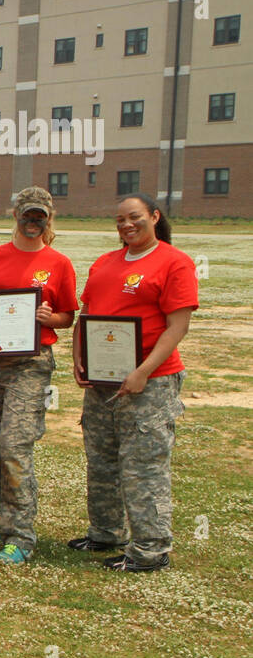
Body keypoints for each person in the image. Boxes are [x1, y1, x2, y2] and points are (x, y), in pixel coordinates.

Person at [70, 193, 197, 572]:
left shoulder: (174, 263)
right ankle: (106, 532)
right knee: (102, 461)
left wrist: (143, 371)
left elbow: (178, 325)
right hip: (103, 382)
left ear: (155, 217)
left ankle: (150, 549)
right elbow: (87, 315)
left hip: (151, 381)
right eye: (120, 220)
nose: (127, 225)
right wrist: (79, 358)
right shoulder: (105, 263)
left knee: (143, 465)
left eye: (135, 217)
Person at [0, 186, 77, 564]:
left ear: (48, 219)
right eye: (27, 215)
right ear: (16, 215)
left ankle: (22, 535)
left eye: (39, 216)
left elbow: (67, 316)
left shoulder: (58, 263)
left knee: (16, 445)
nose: (32, 222)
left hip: (31, 362)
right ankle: (6, 521)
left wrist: (51, 317)